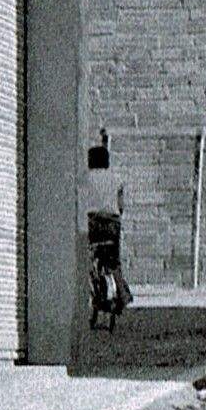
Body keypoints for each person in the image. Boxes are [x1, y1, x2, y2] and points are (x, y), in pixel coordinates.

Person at [84, 131, 132, 326]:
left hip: (92, 222)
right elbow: (121, 206)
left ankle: (92, 290)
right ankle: (122, 294)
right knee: (114, 263)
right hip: (112, 223)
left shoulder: (85, 177)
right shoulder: (116, 178)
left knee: (89, 258)